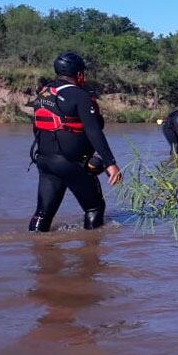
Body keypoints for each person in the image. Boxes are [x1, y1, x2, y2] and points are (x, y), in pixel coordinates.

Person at [28, 52, 122, 232]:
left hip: (45, 161)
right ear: (79, 74)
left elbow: (37, 127)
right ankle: (92, 253)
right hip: (71, 163)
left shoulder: (43, 94)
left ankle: (37, 250)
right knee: (94, 208)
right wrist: (110, 163)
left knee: (42, 214)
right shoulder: (80, 95)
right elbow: (94, 131)